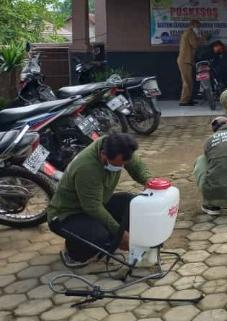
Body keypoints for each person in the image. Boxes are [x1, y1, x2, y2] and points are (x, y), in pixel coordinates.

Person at [47, 134, 152, 267]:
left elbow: (136, 165)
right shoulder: (87, 168)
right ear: (103, 155)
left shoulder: (118, 146)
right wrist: (120, 233)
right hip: (66, 215)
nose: (120, 168)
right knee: (101, 236)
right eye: (116, 165)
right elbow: (93, 207)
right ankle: (73, 252)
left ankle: (104, 238)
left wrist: (148, 180)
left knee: (131, 203)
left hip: (94, 203)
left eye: (123, 164)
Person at [177, 20, 203, 106]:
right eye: (198, 26)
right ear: (193, 25)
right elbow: (194, 44)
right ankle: (184, 101)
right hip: (185, 60)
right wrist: (201, 38)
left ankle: (188, 99)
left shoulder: (189, 33)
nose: (199, 28)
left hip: (186, 60)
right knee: (187, 82)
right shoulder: (190, 33)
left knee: (189, 81)